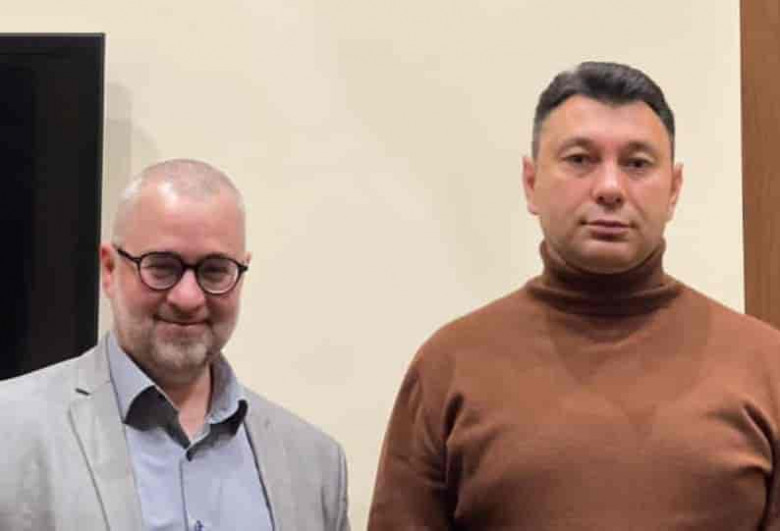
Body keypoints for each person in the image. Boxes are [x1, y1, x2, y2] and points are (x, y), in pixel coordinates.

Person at [368, 61, 780, 529]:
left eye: (637, 164)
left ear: (674, 189)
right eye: (580, 160)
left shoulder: (765, 366)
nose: (609, 188)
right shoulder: (450, 366)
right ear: (531, 183)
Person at [0, 159, 350, 530]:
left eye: (215, 270)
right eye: (162, 267)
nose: (187, 298)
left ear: (241, 275)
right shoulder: (10, 430)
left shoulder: (316, 466)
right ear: (109, 269)